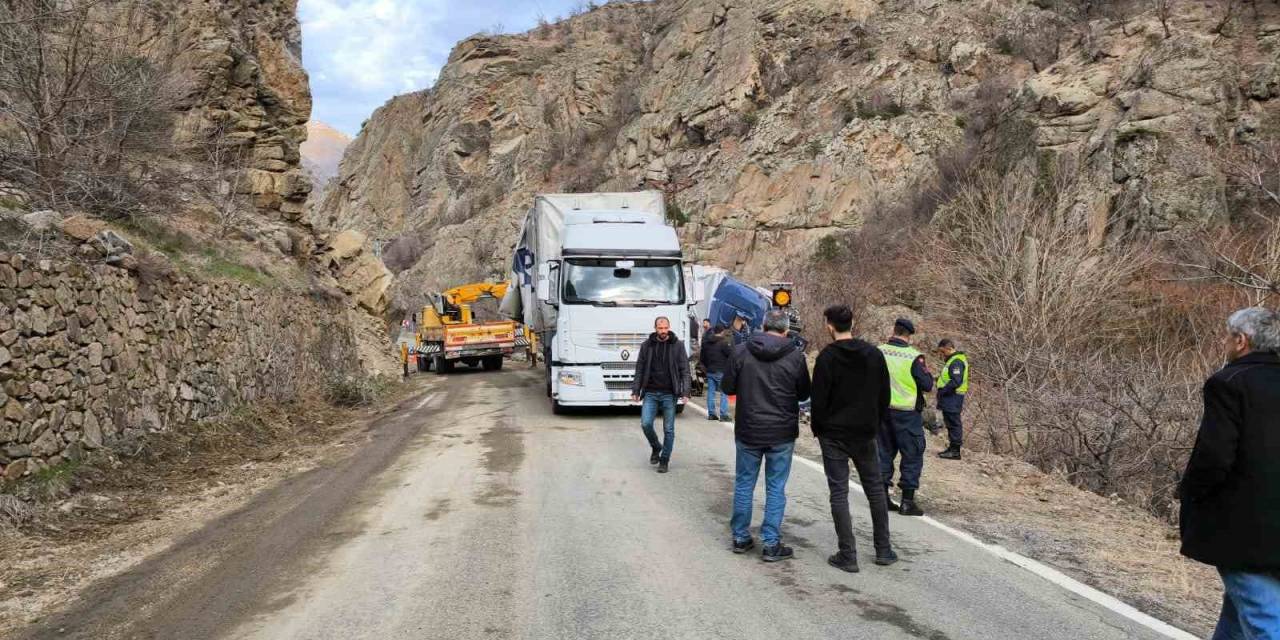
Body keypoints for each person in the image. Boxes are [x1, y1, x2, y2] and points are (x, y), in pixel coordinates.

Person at [1180, 307, 1280, 640]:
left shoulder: (1230, 383)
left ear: (1241, 340)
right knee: (1238, 615)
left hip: (1244, 524)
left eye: (1228, 336)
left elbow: (1214, 455)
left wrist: (1190, 493)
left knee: (1262, 618)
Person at [810, 305, 898, 572]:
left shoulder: (827, 357)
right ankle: (883, 549)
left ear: (829, 325)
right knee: (875, 490)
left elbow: (819, 399)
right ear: (852, 322)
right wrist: (875, 422)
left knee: (839, 492)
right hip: (865, 433)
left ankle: (848, 554)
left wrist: (818, 428)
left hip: (834, 434)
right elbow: (885, 395)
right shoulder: (873, 354)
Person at [723, 310, 811, 562]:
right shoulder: (795, 356)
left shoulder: (741, 351)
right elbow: (804, 392)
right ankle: (771, 543)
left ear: (763, 326)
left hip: (749, 427)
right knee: (775, 487)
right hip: (781, 431)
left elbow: (728, 387)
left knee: (744, 483)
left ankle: (740, 537)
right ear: (785, 330)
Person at [877, 317, 933, 517]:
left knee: (883, 451)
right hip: (907, 414)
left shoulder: (879, 351)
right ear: (908, 335)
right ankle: (907, 502)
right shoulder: (914, 357)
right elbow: (927, 385)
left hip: (882, 411)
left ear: (894, 330)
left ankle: (882, 497)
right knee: (912, 454)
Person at [631, 316, 691, 474]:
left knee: (669, 429)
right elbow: (640, 369)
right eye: (660, 328)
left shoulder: (677, 346)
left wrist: (685, 391)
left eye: (665, 328)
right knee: (645, 424)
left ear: (669, 328)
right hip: (650, 392)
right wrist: (636, 390)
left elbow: (685, 370)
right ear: (655, 328)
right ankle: (656, 446)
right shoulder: (647, 346)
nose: (663, 331)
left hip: (669, 394)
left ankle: (664, 460)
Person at [934, 339, 969, 461]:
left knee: (954, 424)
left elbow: (955, 381)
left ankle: (955, 451)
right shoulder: (952, 361)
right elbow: (949, 378)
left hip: (953, 397)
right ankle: (952, 448)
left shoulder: (956, 362)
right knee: (950, 423)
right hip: (950, 397)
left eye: (943, 352)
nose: (942, 355)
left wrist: (943, 390)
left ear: (948, 348)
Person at [700, 323, 733, 422]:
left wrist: (706, 367)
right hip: (721, 371)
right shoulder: (723, 343)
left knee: (711, 392)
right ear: (722, 332)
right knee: (724, 393)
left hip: (710, 370)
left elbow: (702, 357)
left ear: (714, 331)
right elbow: (731, 355)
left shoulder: (706, 343)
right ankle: (723, 415)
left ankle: (711, 414)